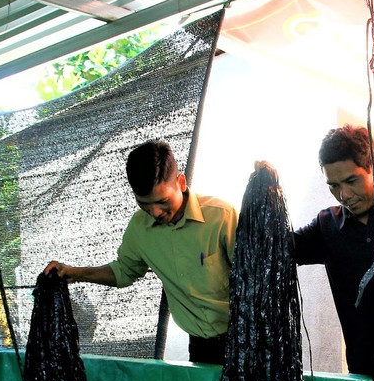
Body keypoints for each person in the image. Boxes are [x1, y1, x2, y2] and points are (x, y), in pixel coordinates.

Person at [44, 139, 237, 365]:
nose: (155, 212)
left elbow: (255, 276)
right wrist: (74, 273)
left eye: (162, 201)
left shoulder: (222, 217)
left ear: (181, 182)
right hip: (200, 347)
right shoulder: (139, 228)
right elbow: (124, 271)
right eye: (144, 204)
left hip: (245, 337)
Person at [292, 125, 374, 377]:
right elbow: (278, 249)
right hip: (361, 373)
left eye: (351, 181)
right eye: (334, 185)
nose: (344, 195)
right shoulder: (327, 226)